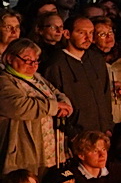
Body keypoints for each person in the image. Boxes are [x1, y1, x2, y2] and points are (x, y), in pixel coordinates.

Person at [0, 39, 73, 174]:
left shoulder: (37, 77)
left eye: (36, 60)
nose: (33, 65)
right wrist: (54, 107)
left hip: (51, 149)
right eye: (27, 60)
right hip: (24, 150)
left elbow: (57, 93)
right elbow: (19, 107)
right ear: (10, 58)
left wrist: (65, 105)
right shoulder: (4, 81)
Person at [41, 16, 112, 141]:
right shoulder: (55, 64)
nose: (88, 38)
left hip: (102, 133)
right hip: (75, 136)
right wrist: (72, 133)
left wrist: (108, 125)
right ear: (67, 34)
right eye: (81, 32)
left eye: (91, 33)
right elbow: (53, 100)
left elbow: (105, 94)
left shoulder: (96, 60)